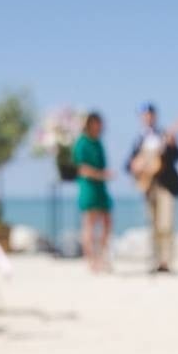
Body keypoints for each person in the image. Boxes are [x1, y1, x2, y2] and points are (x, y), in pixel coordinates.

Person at [127, 103, 178, 273]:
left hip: (165, 185)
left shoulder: (164, 135)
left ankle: (166, 261)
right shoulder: (139, 139)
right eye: (145, 115)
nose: (148, 118)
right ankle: (155, 260)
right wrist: (135, 166)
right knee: (152, 224)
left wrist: (172, 145)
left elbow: (177, 156)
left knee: (166, 224)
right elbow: (129, 164)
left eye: (150, 114)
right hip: (148, 187)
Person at [73, 112, 113, 272]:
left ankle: (102, 256)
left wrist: (103, 176)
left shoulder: (98, 142)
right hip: (88, 187)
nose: (98, 126)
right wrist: (100, 175)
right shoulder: (82, 143)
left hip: (101, 188)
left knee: (107, 223)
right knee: (89, 224)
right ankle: (91, 260)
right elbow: (81, 168)